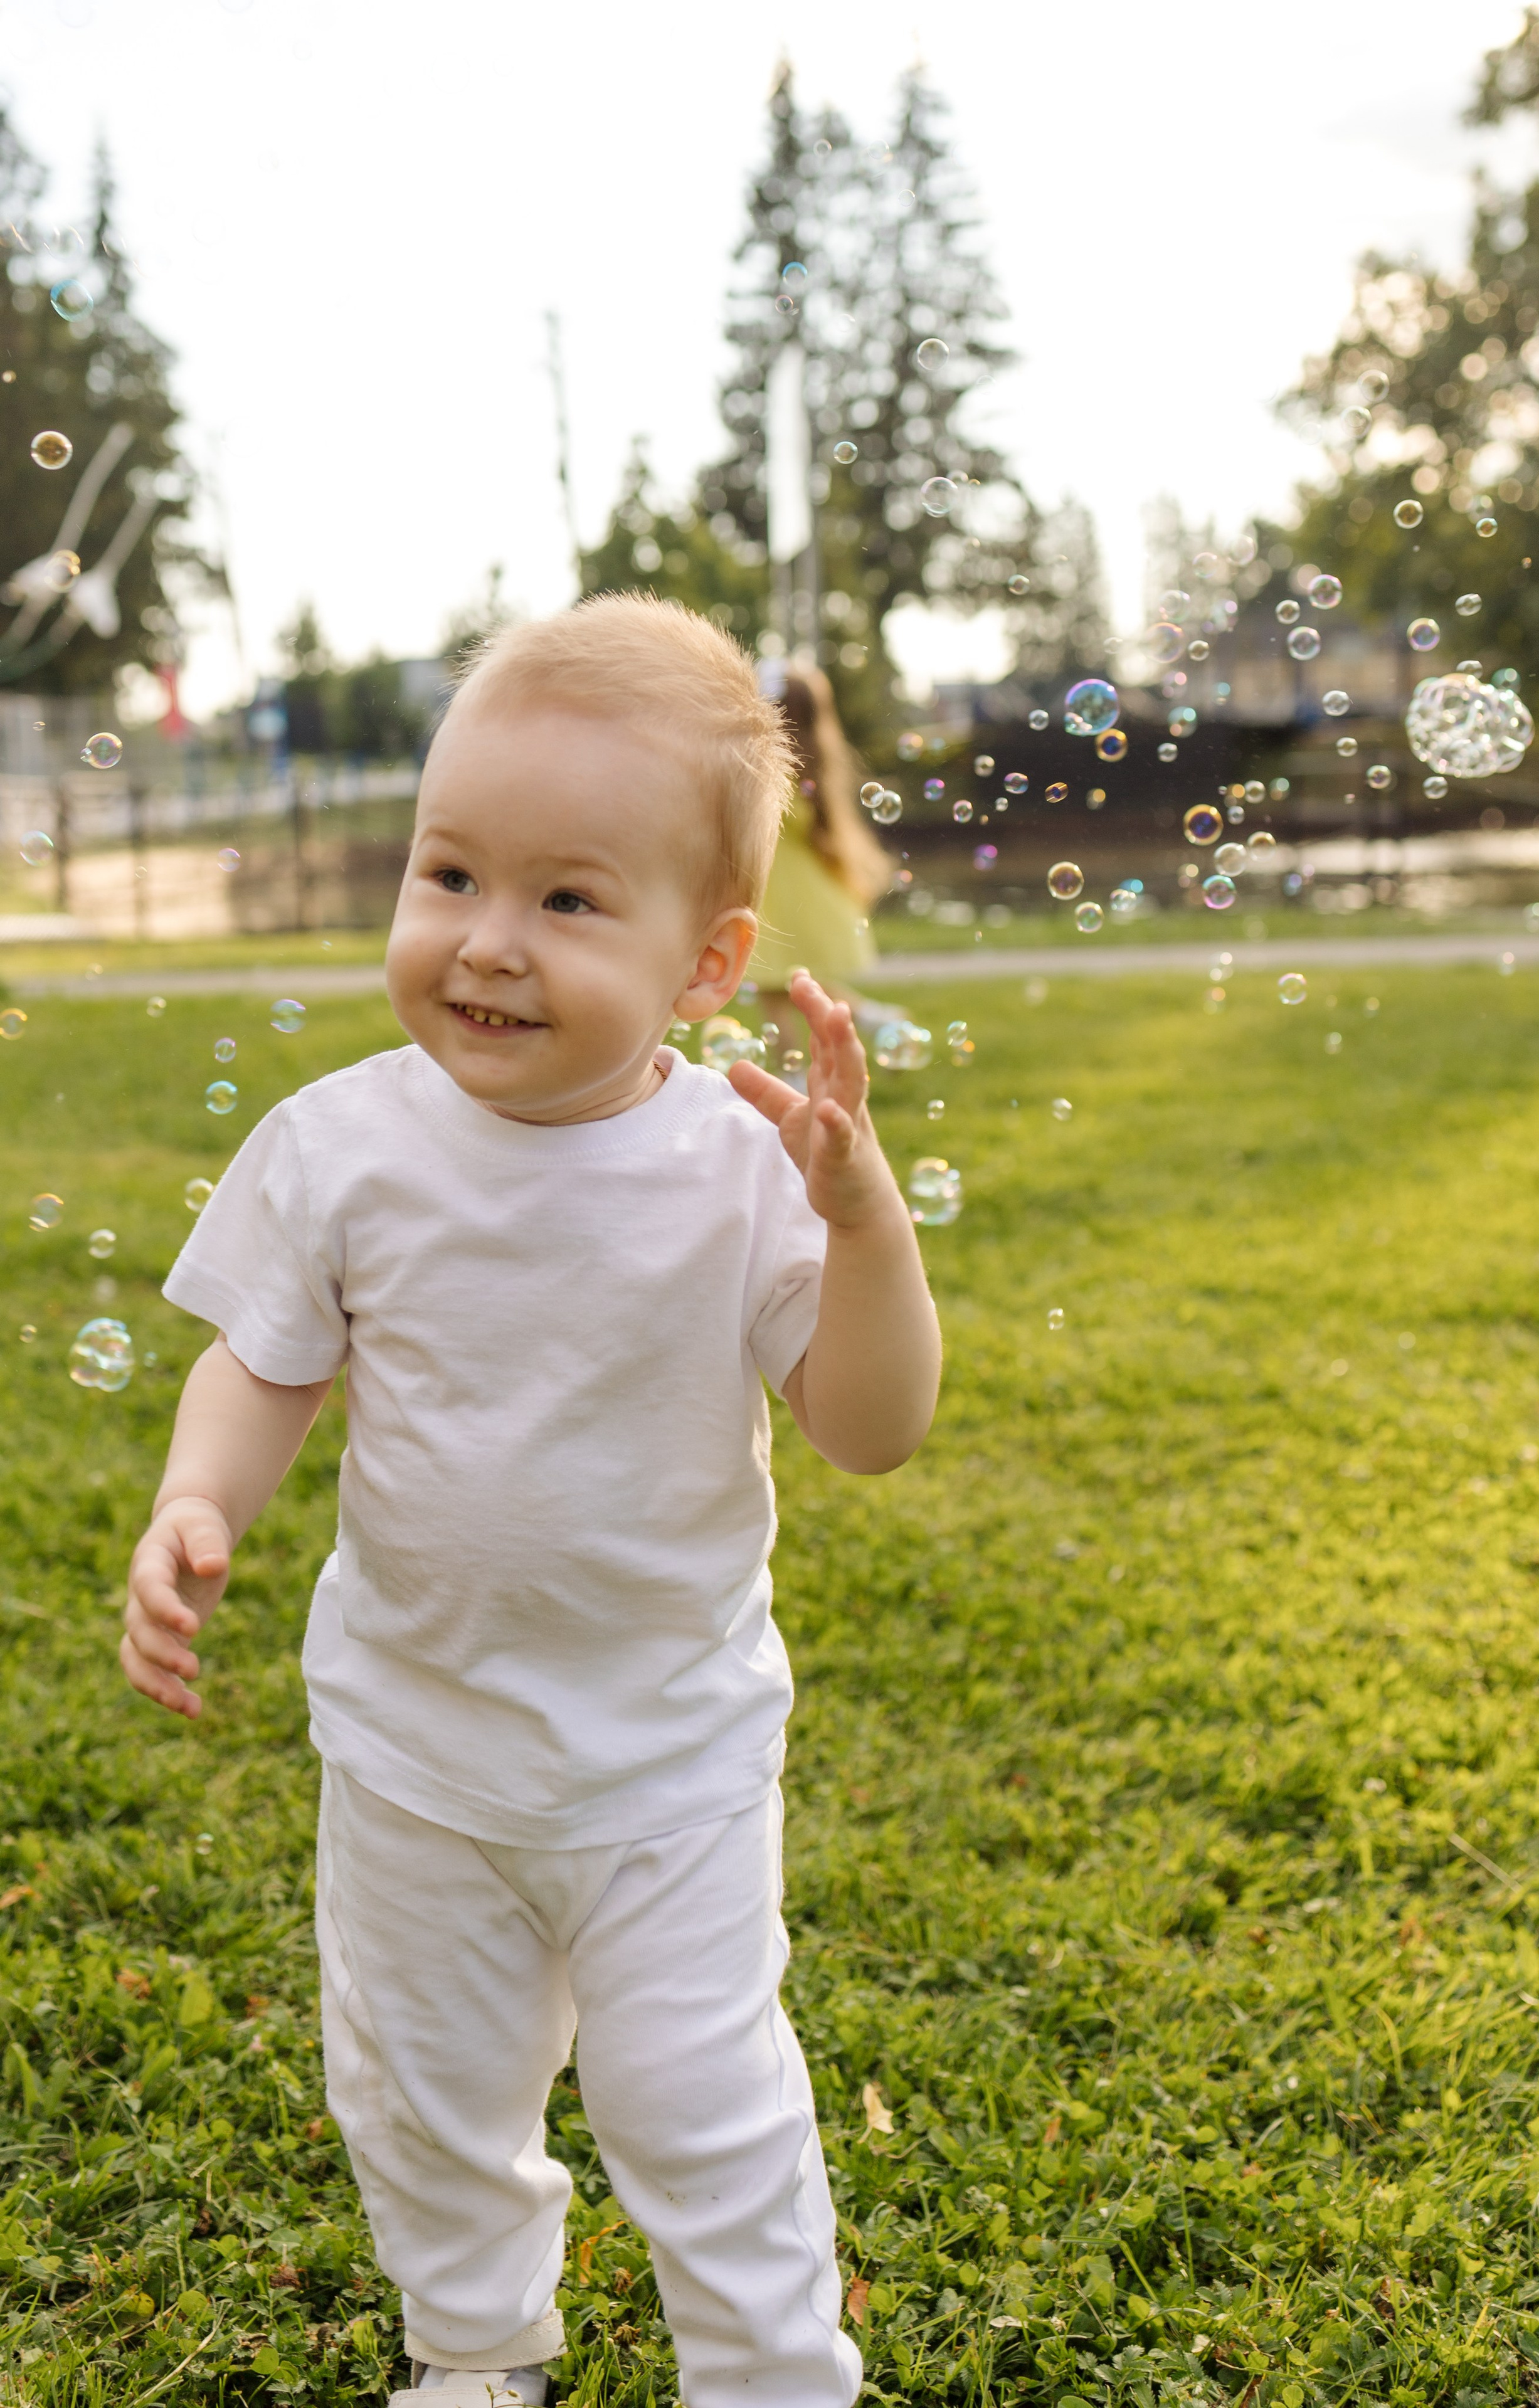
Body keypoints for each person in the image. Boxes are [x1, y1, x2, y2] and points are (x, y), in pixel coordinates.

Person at [119, 593, 942, 2408]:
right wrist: (201, 1502)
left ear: (709, 963)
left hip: (669, 1767)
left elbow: (871, 1428)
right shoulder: (345, 1147)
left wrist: (861, 1220)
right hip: (416, 1755)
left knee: (703, 2105)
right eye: (451, 875)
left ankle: (774, 2379)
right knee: (420, 2091)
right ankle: (479, 2352)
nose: (487, 945)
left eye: (568, 901)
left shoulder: (739, 1174)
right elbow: (268, 1364)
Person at [749, 667, 896, 1070]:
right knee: (788, 985)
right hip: (792, 892)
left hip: (781, 896)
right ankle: (871, 1018)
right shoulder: (814, 763)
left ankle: (795, 1071)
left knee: (775, 987)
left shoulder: (775, 766)